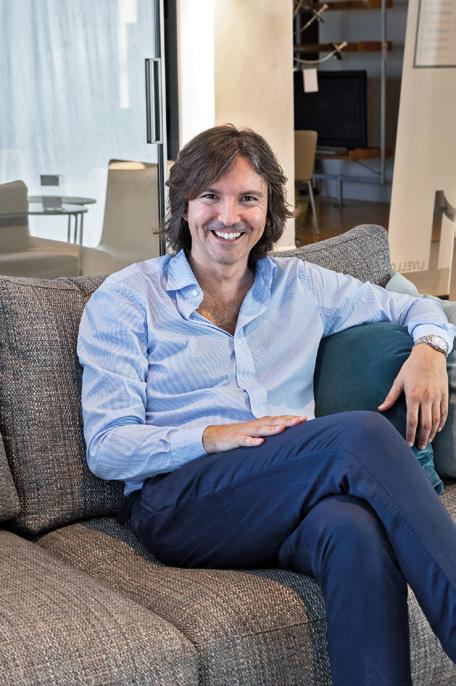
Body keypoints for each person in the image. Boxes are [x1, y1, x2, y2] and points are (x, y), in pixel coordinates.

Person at [78, 124, 456, 685]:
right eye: (211, 196)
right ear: (185, 206)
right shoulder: (129, 299)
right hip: (180, 501)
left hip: (285, 490)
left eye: (248, 198)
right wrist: (212, 437)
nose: (228, 216)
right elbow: (107, 448)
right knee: (359, 436)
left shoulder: (300, 286)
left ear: (269, 209)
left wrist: (429, 350)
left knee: (353, 529)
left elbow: (414, 306)